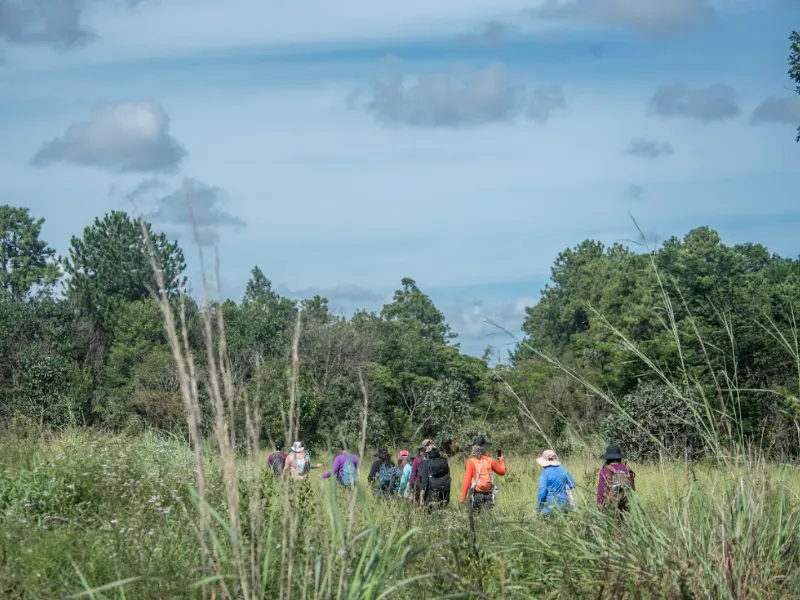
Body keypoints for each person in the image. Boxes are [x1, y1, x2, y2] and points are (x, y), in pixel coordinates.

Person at [460, 436, 506, 510]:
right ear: (485, 448)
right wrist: (501, 460)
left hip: (476, 495)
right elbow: (502, 472)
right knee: (488, 519)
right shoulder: (490, 460)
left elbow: (467, 481)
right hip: (489, 495)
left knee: (476, 518)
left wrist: (463, 498)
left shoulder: (470, 462)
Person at [535, 449, 577, 515]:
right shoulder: (564, 470)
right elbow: (572, 485)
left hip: (550, 508)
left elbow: (542, 493)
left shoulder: (545, 473)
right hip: (565, 506)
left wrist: (539, 508)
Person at [597, 443, 636, 511]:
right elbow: (632, 490)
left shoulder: (604, 471)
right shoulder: (628, 470)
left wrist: (599, 506)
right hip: (626, 506)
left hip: (610, 506)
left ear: (607, 458)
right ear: (620, 457)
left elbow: (601, 492)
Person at [418, 444, 451, 509]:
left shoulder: (425, 463)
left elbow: (425, 481)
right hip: (444, 494)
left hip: (431, 495)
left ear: (428, 454)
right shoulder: (444, 461)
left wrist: (421, 497)